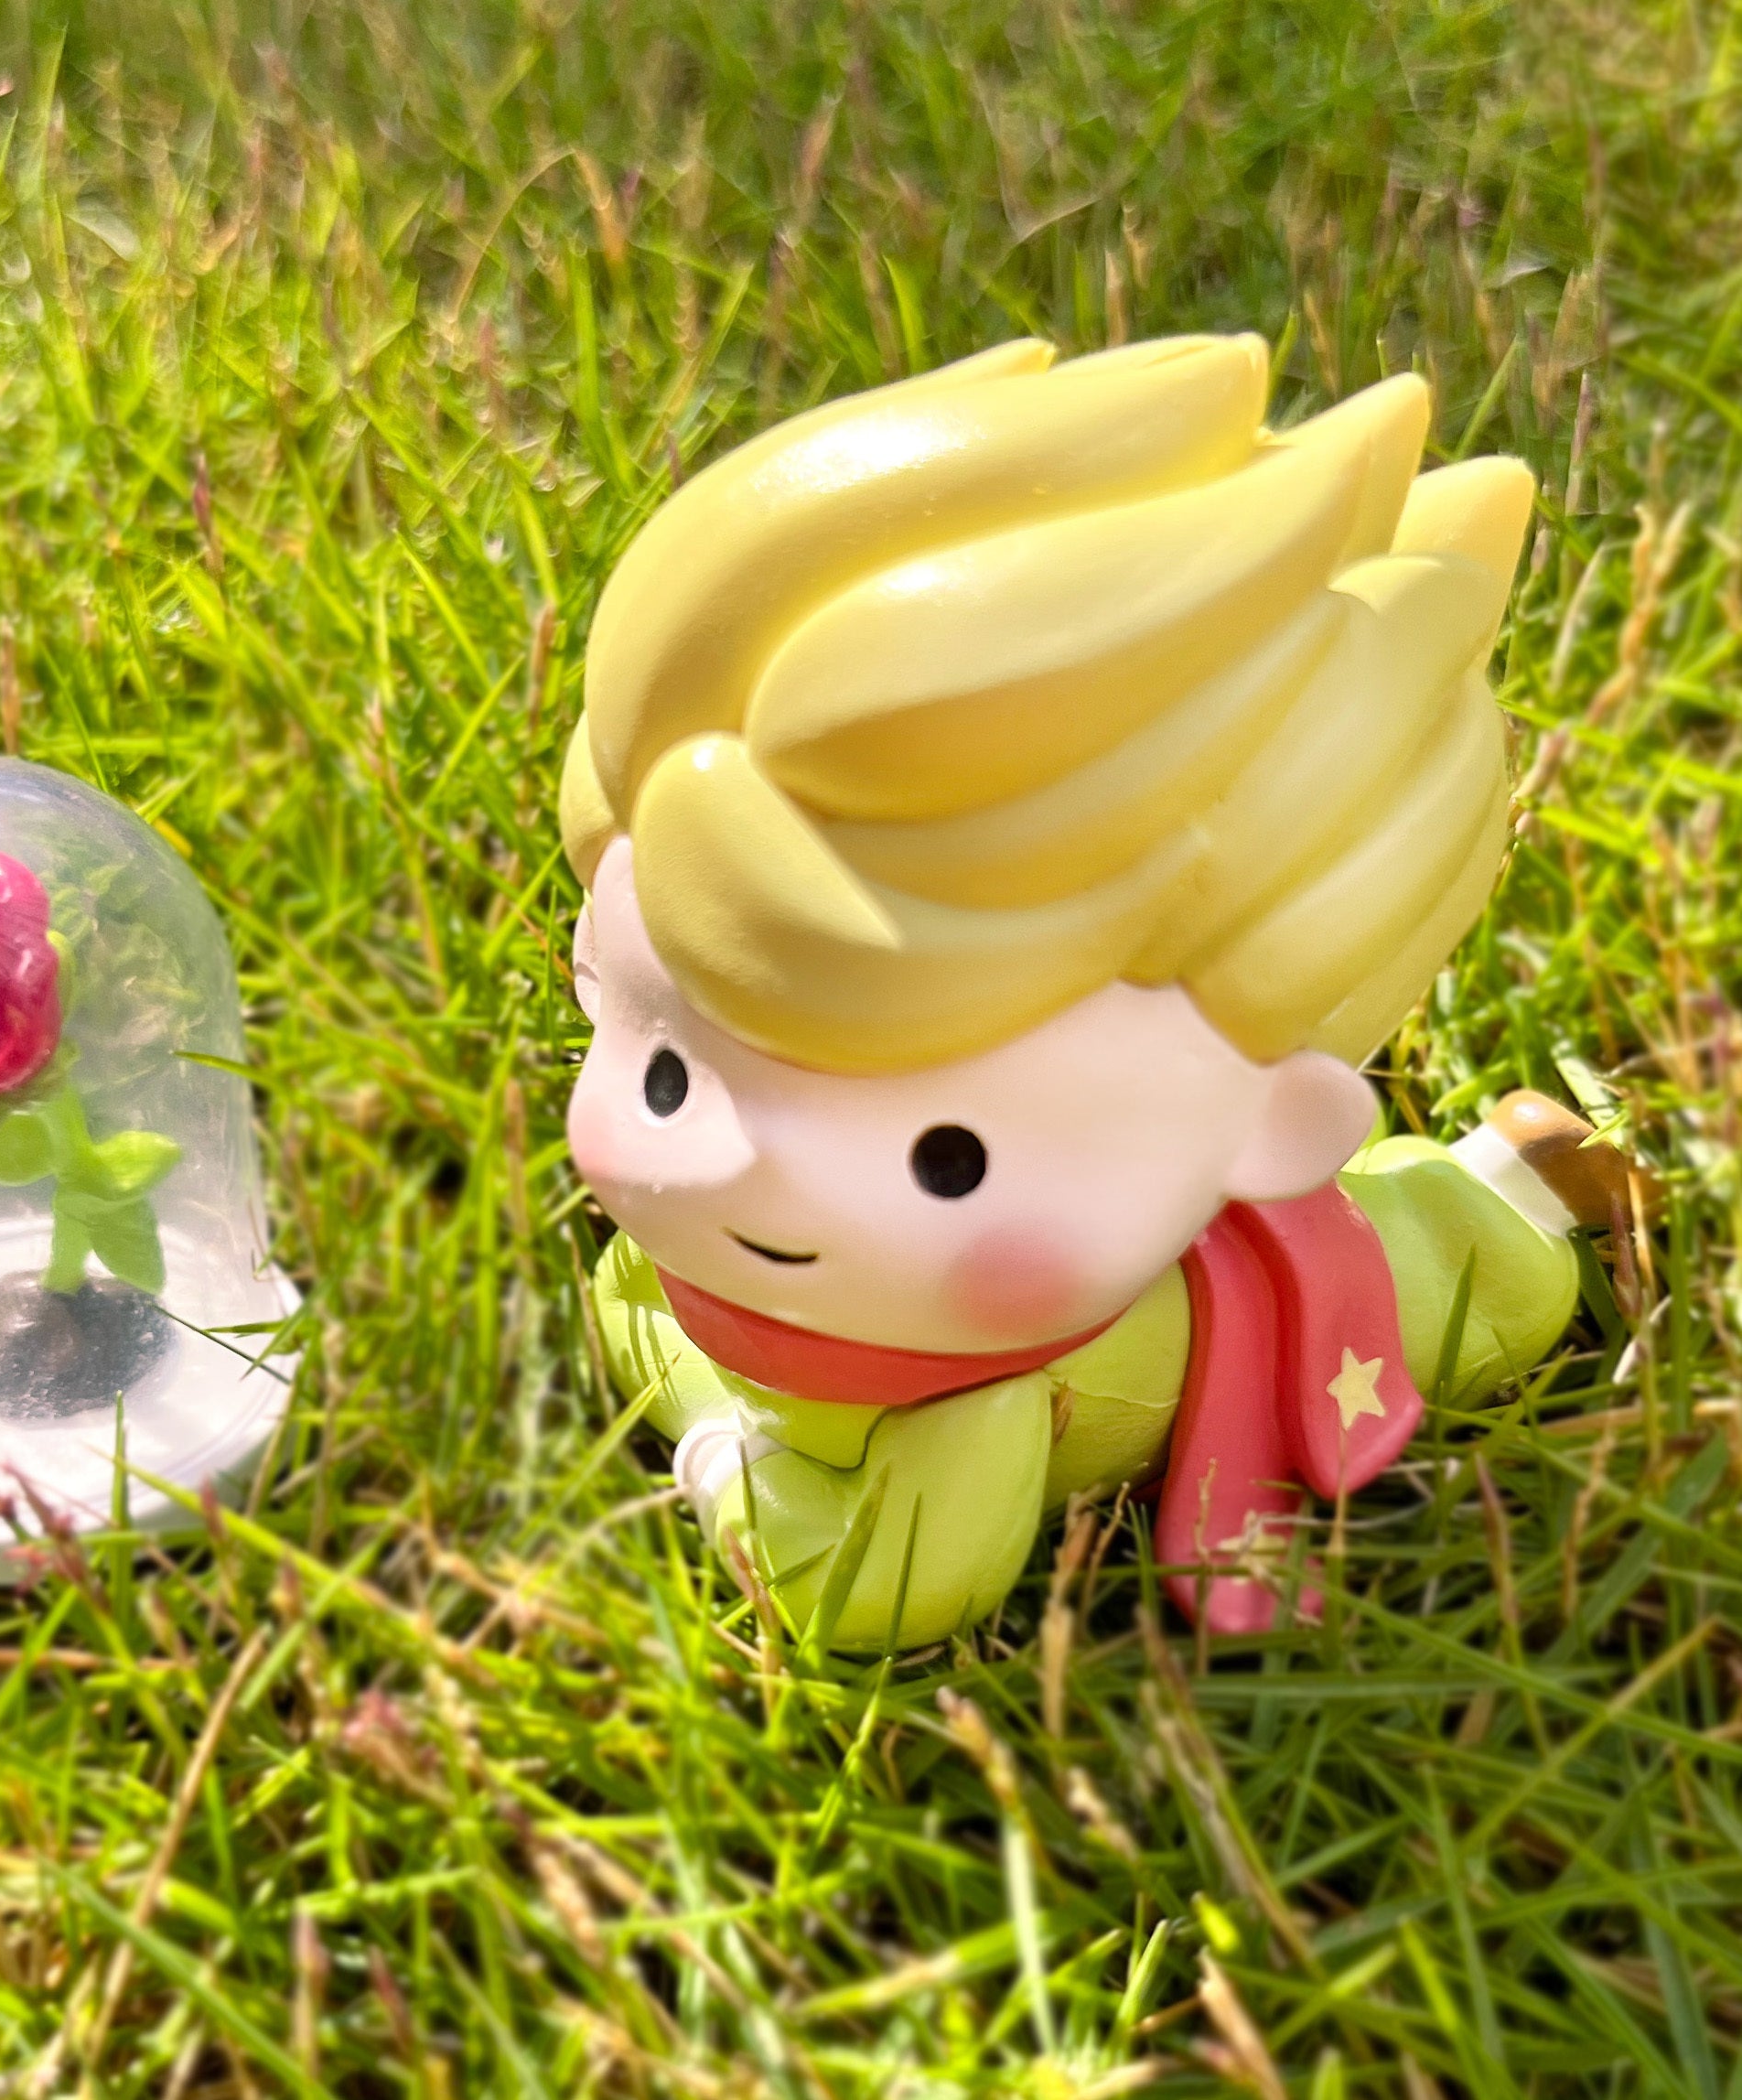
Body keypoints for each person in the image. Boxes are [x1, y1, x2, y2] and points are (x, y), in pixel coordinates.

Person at [558, 333, 1629, 1650]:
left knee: (1468, 1279)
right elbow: (628, 1308)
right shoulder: (674, 1263)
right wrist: (722, 1406)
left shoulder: (976, 1404)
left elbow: (866, 1594)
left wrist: (724, 1456)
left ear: (1272, 1135)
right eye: (669, 1074)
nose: (744, 1171)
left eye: (950, 1160)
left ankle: (1526, 1187)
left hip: (1415, 1283)